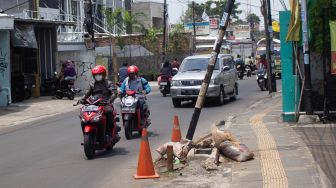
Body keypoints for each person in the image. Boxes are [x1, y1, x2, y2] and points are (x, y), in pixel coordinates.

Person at [80, 65, 120, 136]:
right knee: (83, 113)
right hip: (94, 104)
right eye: (96, 75)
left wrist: (110, 100)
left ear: (104, 74)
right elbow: (87, 94)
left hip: (106, 104)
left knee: (109, 112)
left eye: (99, 75)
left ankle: (109, 131)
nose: (97, 76)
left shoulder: (109, 83)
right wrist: (82, 99)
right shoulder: (92, 84)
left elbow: (114, 93)